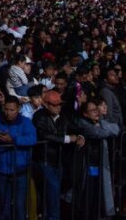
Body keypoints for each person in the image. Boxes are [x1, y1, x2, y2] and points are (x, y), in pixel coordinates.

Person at [0, 97, 37, 220]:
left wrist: (13, 139)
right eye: (6, 109)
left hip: (20, 170)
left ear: (18, 109)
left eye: (12, 110)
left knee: (19, 206)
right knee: (2, 206)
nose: (8, 112)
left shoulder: (26, 122)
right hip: (2, 169)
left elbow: (32, 139)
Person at [32, 90, 82, 220]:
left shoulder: (62, 116)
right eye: (55, 104)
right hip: (44, 161)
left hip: (58, 162)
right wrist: (67, 139)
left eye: (59, 104)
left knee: (54, 194)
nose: (58, 107)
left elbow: (75, 128)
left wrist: (80, 136)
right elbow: (44, 134)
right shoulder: (39, 116)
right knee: (53, 193)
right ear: (46, 104)